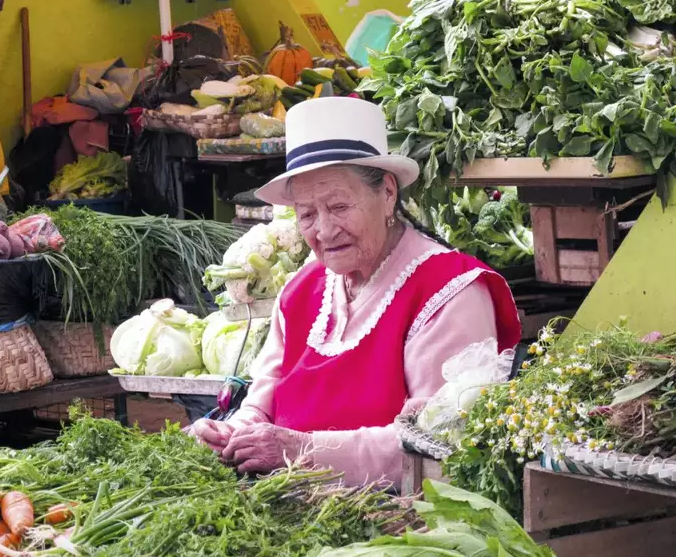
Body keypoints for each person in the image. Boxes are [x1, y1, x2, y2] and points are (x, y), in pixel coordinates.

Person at [188, 97, 521, 489]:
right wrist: (232, 434)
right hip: (289, 505)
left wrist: (302, 450)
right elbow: (261, 403)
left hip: (398, 522)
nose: (324, 231)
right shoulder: (299, 292)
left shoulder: (449, 291)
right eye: (307, 214)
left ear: (388, 193)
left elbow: (444, 443)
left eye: (339, 206)